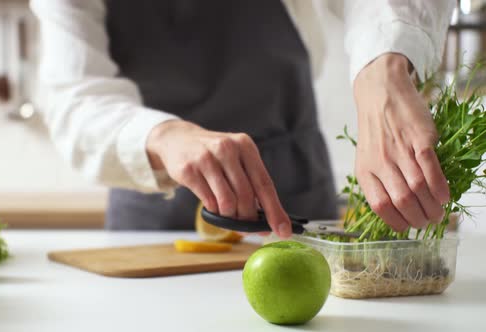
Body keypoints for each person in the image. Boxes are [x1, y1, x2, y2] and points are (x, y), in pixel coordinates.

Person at [31, 0, 454, 239]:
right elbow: (73, 99)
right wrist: (166, 136)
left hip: (294, 188)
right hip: (151, 213)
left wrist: (383, 68)